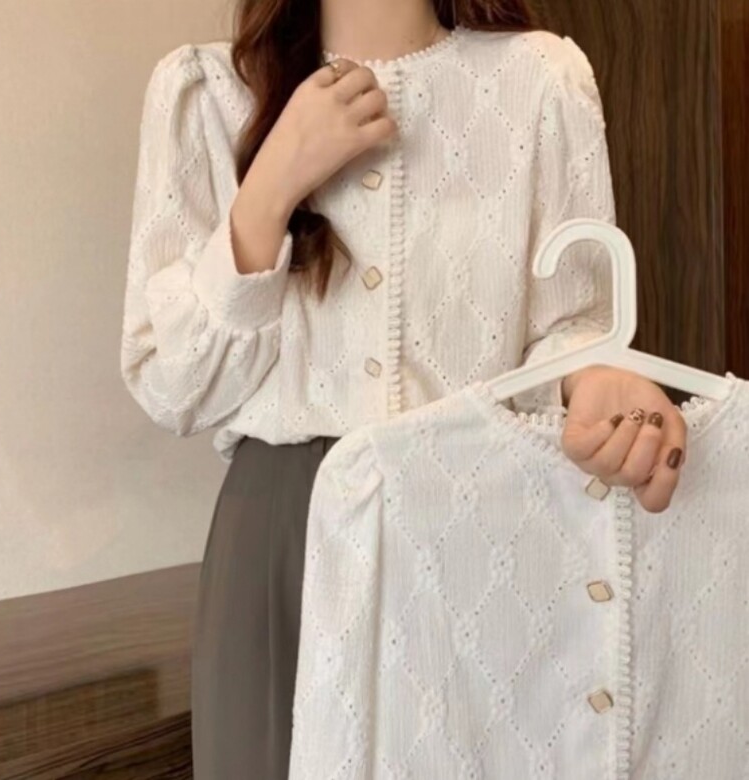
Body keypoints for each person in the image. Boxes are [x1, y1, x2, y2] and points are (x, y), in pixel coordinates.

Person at [120, 0, 690, 776]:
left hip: (480, 525)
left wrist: (595, 381)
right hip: (284, 538)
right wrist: (270, 189)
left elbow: (571, 326)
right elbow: (171, 385)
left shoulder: (541, 80)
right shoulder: (205, 92)